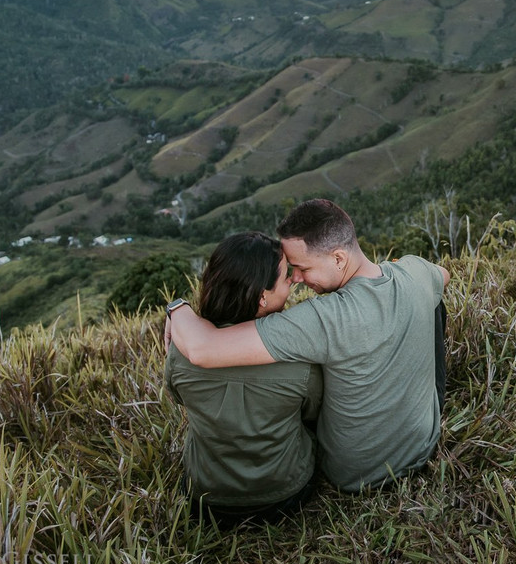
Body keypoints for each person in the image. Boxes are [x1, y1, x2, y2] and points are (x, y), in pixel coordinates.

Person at [166, 199, 450, 493]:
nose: (297, 278)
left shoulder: (322, 319)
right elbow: (443, 274)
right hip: (424, 443)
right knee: (433, 303)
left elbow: (202, 349)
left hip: (355, 474)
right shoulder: (414, 272)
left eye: (302, 267)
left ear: (338, 259)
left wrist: (178, 309)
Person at [164, 231, 323, 526]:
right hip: (284, 494)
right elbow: (313, 412)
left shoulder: (181, 353)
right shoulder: (298, 359)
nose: (293, 280)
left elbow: (178, 397)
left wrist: (177, 309)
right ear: (262, 296)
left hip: (207, 498)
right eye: (286, 276)